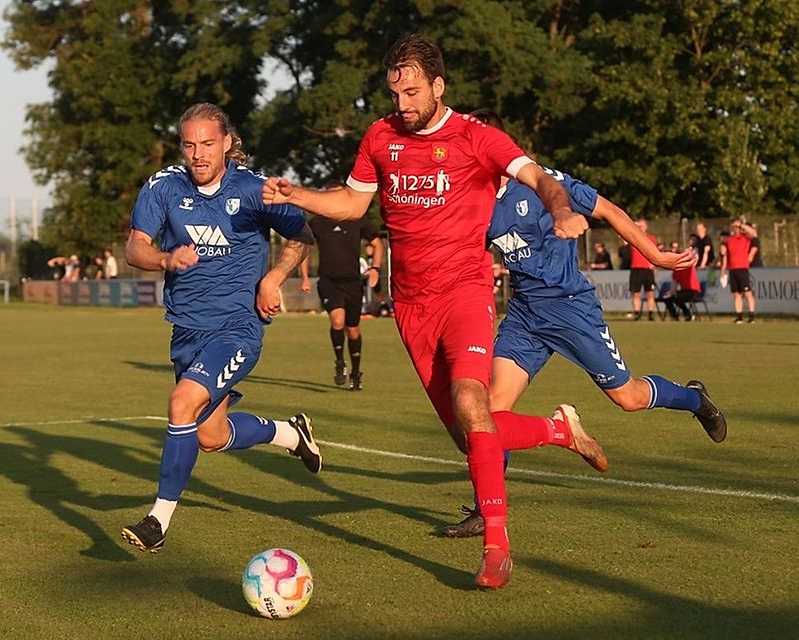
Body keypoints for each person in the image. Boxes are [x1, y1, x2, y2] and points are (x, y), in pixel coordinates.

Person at [263, 34, 602, 590]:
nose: (402, 104)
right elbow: (352, 204)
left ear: (439, 86)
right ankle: (557, 430)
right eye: (396, 92)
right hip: (410, 306)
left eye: (413, 91)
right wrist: (297, 195)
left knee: (474, 403)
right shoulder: (380, 137)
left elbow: (539, 178)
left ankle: (497, 547)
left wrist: (562, 210)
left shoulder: (476, 136)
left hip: (466, 293)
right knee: (470, 434)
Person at [440, 111, 727, 538]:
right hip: (524, 317)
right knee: (488, 414)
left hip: (571, 308)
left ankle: (693, 399)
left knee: (627, 397)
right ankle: (487, 509)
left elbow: (608, 210)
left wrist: (656, 257)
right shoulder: (473, 200)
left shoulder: (542, 182)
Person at [120, 102, 321, 555]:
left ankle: (158, 520)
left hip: (237, 327)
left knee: (181, 402)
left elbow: (302, 234)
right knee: (210, 436)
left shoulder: (253, 190)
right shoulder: (165, 187)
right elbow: (135, 247)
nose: (199, 153)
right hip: (186, 329)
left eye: (208, 143)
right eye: (190, 144)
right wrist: (165, 259)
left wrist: (273, 278)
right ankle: (291, 434)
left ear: (228, 143)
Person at [298, 196, 384, 391]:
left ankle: (355, 372)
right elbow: (303, 247)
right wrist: (304, 276)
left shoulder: (357, 218)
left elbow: (377, 243)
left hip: (353, 284)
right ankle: (339, 363)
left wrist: (375, 268)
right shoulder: (318, 222)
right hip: (329, 282)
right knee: (337, 321)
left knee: (352, 329)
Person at [720, 218, 758, 323]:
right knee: (736, 294)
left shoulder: (745, 238)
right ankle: (739, 316)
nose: (735, 229)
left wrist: (742, 225)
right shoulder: (729, 240)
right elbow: (725, 255)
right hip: (733, 269)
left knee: (747, 292)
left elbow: (753, 233)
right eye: (734, 227)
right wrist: (723, 269)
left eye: (737, 227)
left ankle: (751, 316)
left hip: (742, 268)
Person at [663, 237, 702, 321]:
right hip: (684, 291)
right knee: (668, 298)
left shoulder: (689, 265)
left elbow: (694, 259)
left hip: (693, 291)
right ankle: (674, 317)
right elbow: (674, 283)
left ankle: (688, 314)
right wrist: (671, 293)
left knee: (677, 298)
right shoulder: (677, 268)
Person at [630, 219, 658, 321]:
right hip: (636, 268)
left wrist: (653, 265)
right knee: (636, 292)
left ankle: (650, 313)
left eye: (643, 225)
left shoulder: (651, 238)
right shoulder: (633, 236)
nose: (641, 227)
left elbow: (655, 253)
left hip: (647, 269)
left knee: (650, 292)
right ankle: (637, 313)